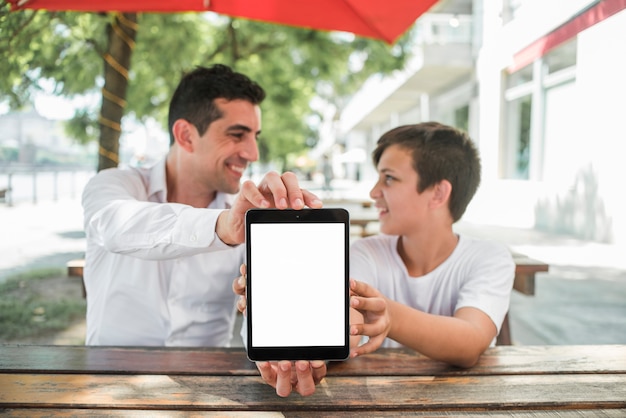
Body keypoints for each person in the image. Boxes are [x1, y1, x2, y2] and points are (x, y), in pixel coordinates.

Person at [233, 121, 515, 395]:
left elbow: (470, 343)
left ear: (438, 193)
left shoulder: (489, 258)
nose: (373, 192)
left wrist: (386, 314)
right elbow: (347, 325)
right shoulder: (367, 252)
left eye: (389, 178)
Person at [81, 64, 322, 362]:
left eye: (255, 137)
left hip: (206, 388)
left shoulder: (251, 212)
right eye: (237, 134)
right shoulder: (114, 184)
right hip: (110, 379)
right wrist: (222, 227)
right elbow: (115, 226)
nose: (253, 153)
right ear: (186, 136)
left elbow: (260, 324)